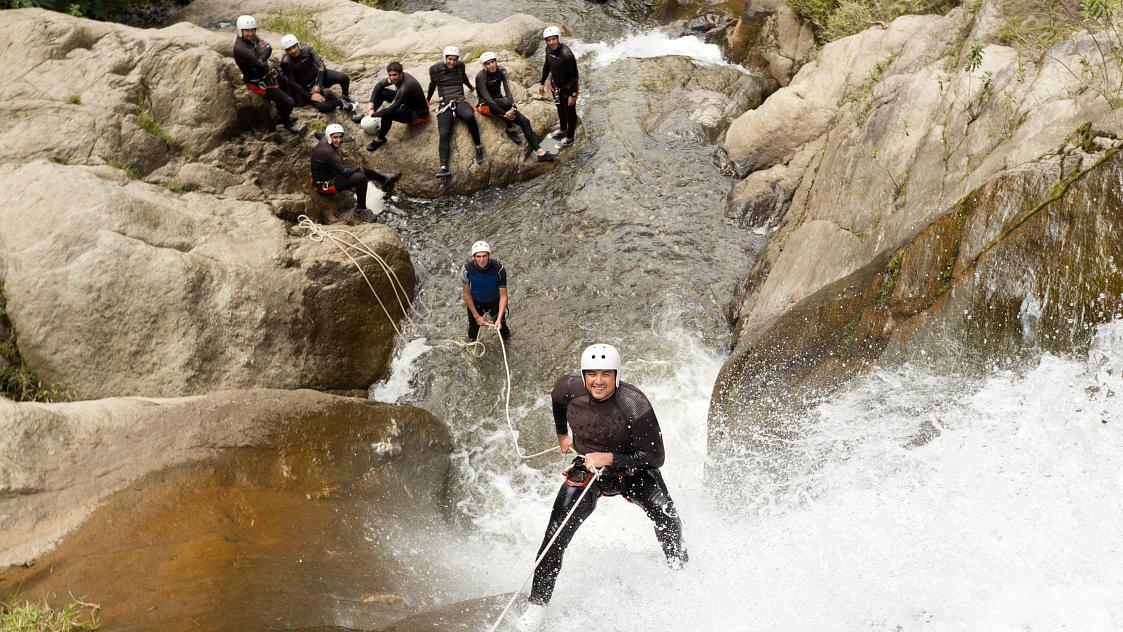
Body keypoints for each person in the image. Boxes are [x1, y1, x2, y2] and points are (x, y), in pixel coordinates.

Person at [517, 344, 687, 630]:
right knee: (554, 536)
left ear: (617, 375)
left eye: (606, 374)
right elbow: (557, 402)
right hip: (589, 469)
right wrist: (562, 435)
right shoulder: (568, 387)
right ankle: (536, 608)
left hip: (632, 468)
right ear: (583, 376)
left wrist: (609, 457)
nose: (598, 380)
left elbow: (656, 457)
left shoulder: (634, 403)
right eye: (592, 374)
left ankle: (680, 572)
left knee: (667, 516)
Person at [310, 123, 400, 222]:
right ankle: (360, 209)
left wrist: (317, 133)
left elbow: (319, 134)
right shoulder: (328, 152)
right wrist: (357, 168)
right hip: (323, 185)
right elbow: (344, 172)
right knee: (360, 178)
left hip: (329, 172)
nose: (339, 140)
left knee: (362, 170)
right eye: (335, 137)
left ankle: (384, 179)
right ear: (329, 137)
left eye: (340, 137)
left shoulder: (324, 138)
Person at [474, 52, 554, 163]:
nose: (492, 65)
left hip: (501, 103)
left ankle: (540, 152)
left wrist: (512, 108)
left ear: (496, 61)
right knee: (505, 103)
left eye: (493, 62)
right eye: (488, 64)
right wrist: (505, 114)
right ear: (484, 66)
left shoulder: (501, 70)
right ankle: (509, 127)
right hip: (485, 106)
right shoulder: (480, 77)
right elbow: (488, 99)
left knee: (525, 122)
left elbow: (508, 91)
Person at [232, 15, 298, 134]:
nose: (251, 33)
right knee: (289, 102)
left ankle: (281, 114)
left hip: (266, 75)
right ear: (240, 31)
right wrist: (261, 60)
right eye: (247, 31)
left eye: (253, 30)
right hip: (257, 83)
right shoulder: (241, 49)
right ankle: (286, 120)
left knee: (285, 83)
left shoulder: (252, 38)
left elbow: (269, 47)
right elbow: (261, 63)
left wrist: (260, 60)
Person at [427, 46, 484, 178]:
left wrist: (470, 87)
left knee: (470, 116)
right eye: (449, 59)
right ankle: (443, 167)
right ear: (445, 58)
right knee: (445, 132)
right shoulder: (435, 69)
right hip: (445, 103)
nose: (452, 62)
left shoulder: (460, 65)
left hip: (459, 99)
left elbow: (462, 77)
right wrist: (427, 99)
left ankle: (478, 147)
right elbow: (432, 84)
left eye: (454, 59)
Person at [357, 62, 431, 152]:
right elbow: (379, 86)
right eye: (390, 75)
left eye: (394, 75)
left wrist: (373, 115)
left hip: (418, 114)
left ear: (401, 73)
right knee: (382, 93)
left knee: (388, 115)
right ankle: (367, 113)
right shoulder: (397, 78)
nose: (392, 78)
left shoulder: (406, 86)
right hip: (406, 102)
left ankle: (380, 139)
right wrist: (371, 103)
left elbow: (390, 109)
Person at [279, 34, 356, 115]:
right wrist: (310, 95)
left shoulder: (308, 49)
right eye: (289, 49)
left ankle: (345, 96)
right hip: (308, 88)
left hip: (320, 77)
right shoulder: (285, 62)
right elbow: (292, 83)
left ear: (298, 44)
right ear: (286, 51)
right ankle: (341, 103)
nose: (293, 51)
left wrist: (318, 84)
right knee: (323, 107)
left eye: (294, 47)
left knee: (343, 78)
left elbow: (321, 65)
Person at [536, 26, 579, 149]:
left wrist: (573, 95)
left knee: (570, 112)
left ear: (557, 38)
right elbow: (547, 66)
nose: (551, 42)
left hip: (568, 88)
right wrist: (542, 82)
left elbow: (575, 77)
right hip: (556, 86)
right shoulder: (548, 50)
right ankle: (563, 130)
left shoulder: (567, 54)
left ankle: (570, 138)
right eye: (548, 40)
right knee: (560, 109)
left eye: (553, 39)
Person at [460, 241, 510, 341]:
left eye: (484, 256)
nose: (481, 260)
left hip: (495, 303)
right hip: (476, 303)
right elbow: (466, 295)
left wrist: (499, 319)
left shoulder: (499, 269)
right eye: (478, 256)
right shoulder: (466, 270)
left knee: (503, 329)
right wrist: (477, 316)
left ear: (489, 256)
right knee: (472, 332)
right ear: (473, 257)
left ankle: (508, 345)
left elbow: (503, 295)